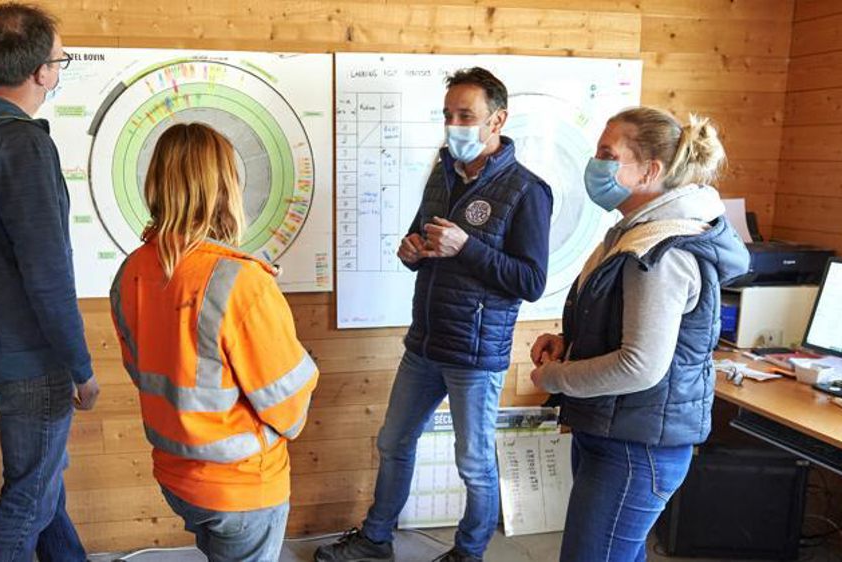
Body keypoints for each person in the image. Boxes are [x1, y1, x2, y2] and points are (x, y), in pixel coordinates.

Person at [315, 67, 553, 562]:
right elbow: (420, 238)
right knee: (394, 442)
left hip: (475, 355)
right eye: (448, 115)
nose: (454, 125)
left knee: (474, 465)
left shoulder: (528, 190)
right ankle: (376, 540)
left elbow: (530, 282)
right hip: (423, 345)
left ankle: (468, 553)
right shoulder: (441, 173)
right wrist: (411, 250)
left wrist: (465, 247)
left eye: (466, 115)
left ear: (497, 120)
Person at [528, 107, 749, 561]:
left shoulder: (662, 252)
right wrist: (566, 345)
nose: (596, 164)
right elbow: (619, 325)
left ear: (650, 170)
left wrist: (556, 378)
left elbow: (640, 365)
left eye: (608, 154)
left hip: (635, 448)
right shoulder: (635, 233)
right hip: (618, 431)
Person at [110, 123, 318, 562]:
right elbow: (290, 409)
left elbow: (144, 369)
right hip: (242, 488)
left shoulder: (131, 272)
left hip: (176, 478)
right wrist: (259, 298)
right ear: (226, 187)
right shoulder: (241, 281)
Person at [0, 3, 98, 561]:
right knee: (28, 497)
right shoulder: (22, 145)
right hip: (32, 358)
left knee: (42, 482)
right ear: (41, 74)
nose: (59, 69)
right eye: (61, 59)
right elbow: (47, 272)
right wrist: (80, 368)